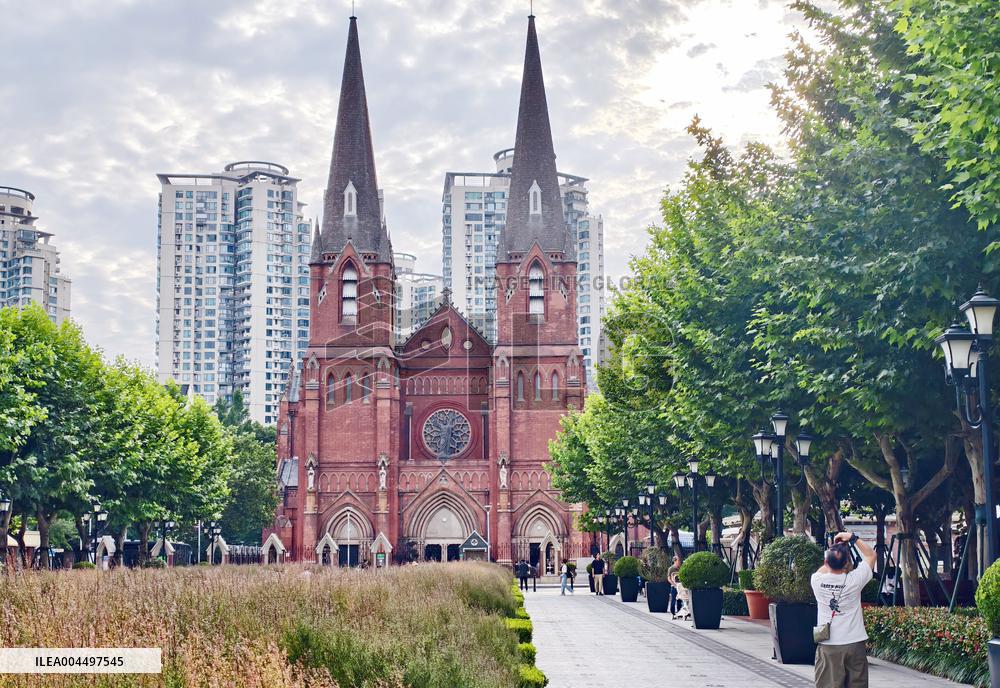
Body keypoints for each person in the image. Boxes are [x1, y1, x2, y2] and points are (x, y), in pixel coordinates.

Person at [811, 531, 876, 688]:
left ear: (826, 562)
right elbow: (871, 555)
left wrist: (835, 549)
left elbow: (826, 567)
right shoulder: (855, 580)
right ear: (847, 562)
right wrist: (851, 538)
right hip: (855, 644)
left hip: (829, 645)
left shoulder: (817, 581)